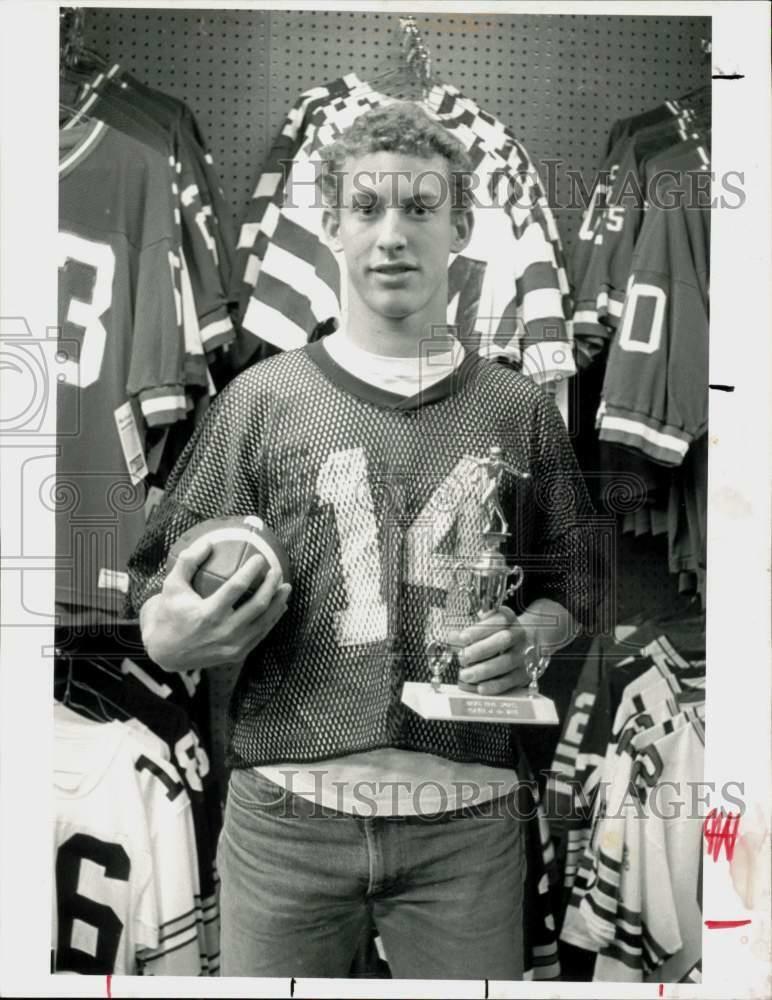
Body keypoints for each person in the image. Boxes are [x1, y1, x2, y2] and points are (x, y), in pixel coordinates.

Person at [128, 102, 605, 980]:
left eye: (420, 208)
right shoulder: (261, 401)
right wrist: (175, 635)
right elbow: (156, 584)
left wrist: (531, 639)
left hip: (467, 823)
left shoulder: (517, 407)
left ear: (460, 225)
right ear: (332, 225)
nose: (393, 234)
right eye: (368, 207)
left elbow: (572, 586)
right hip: (288, 822)